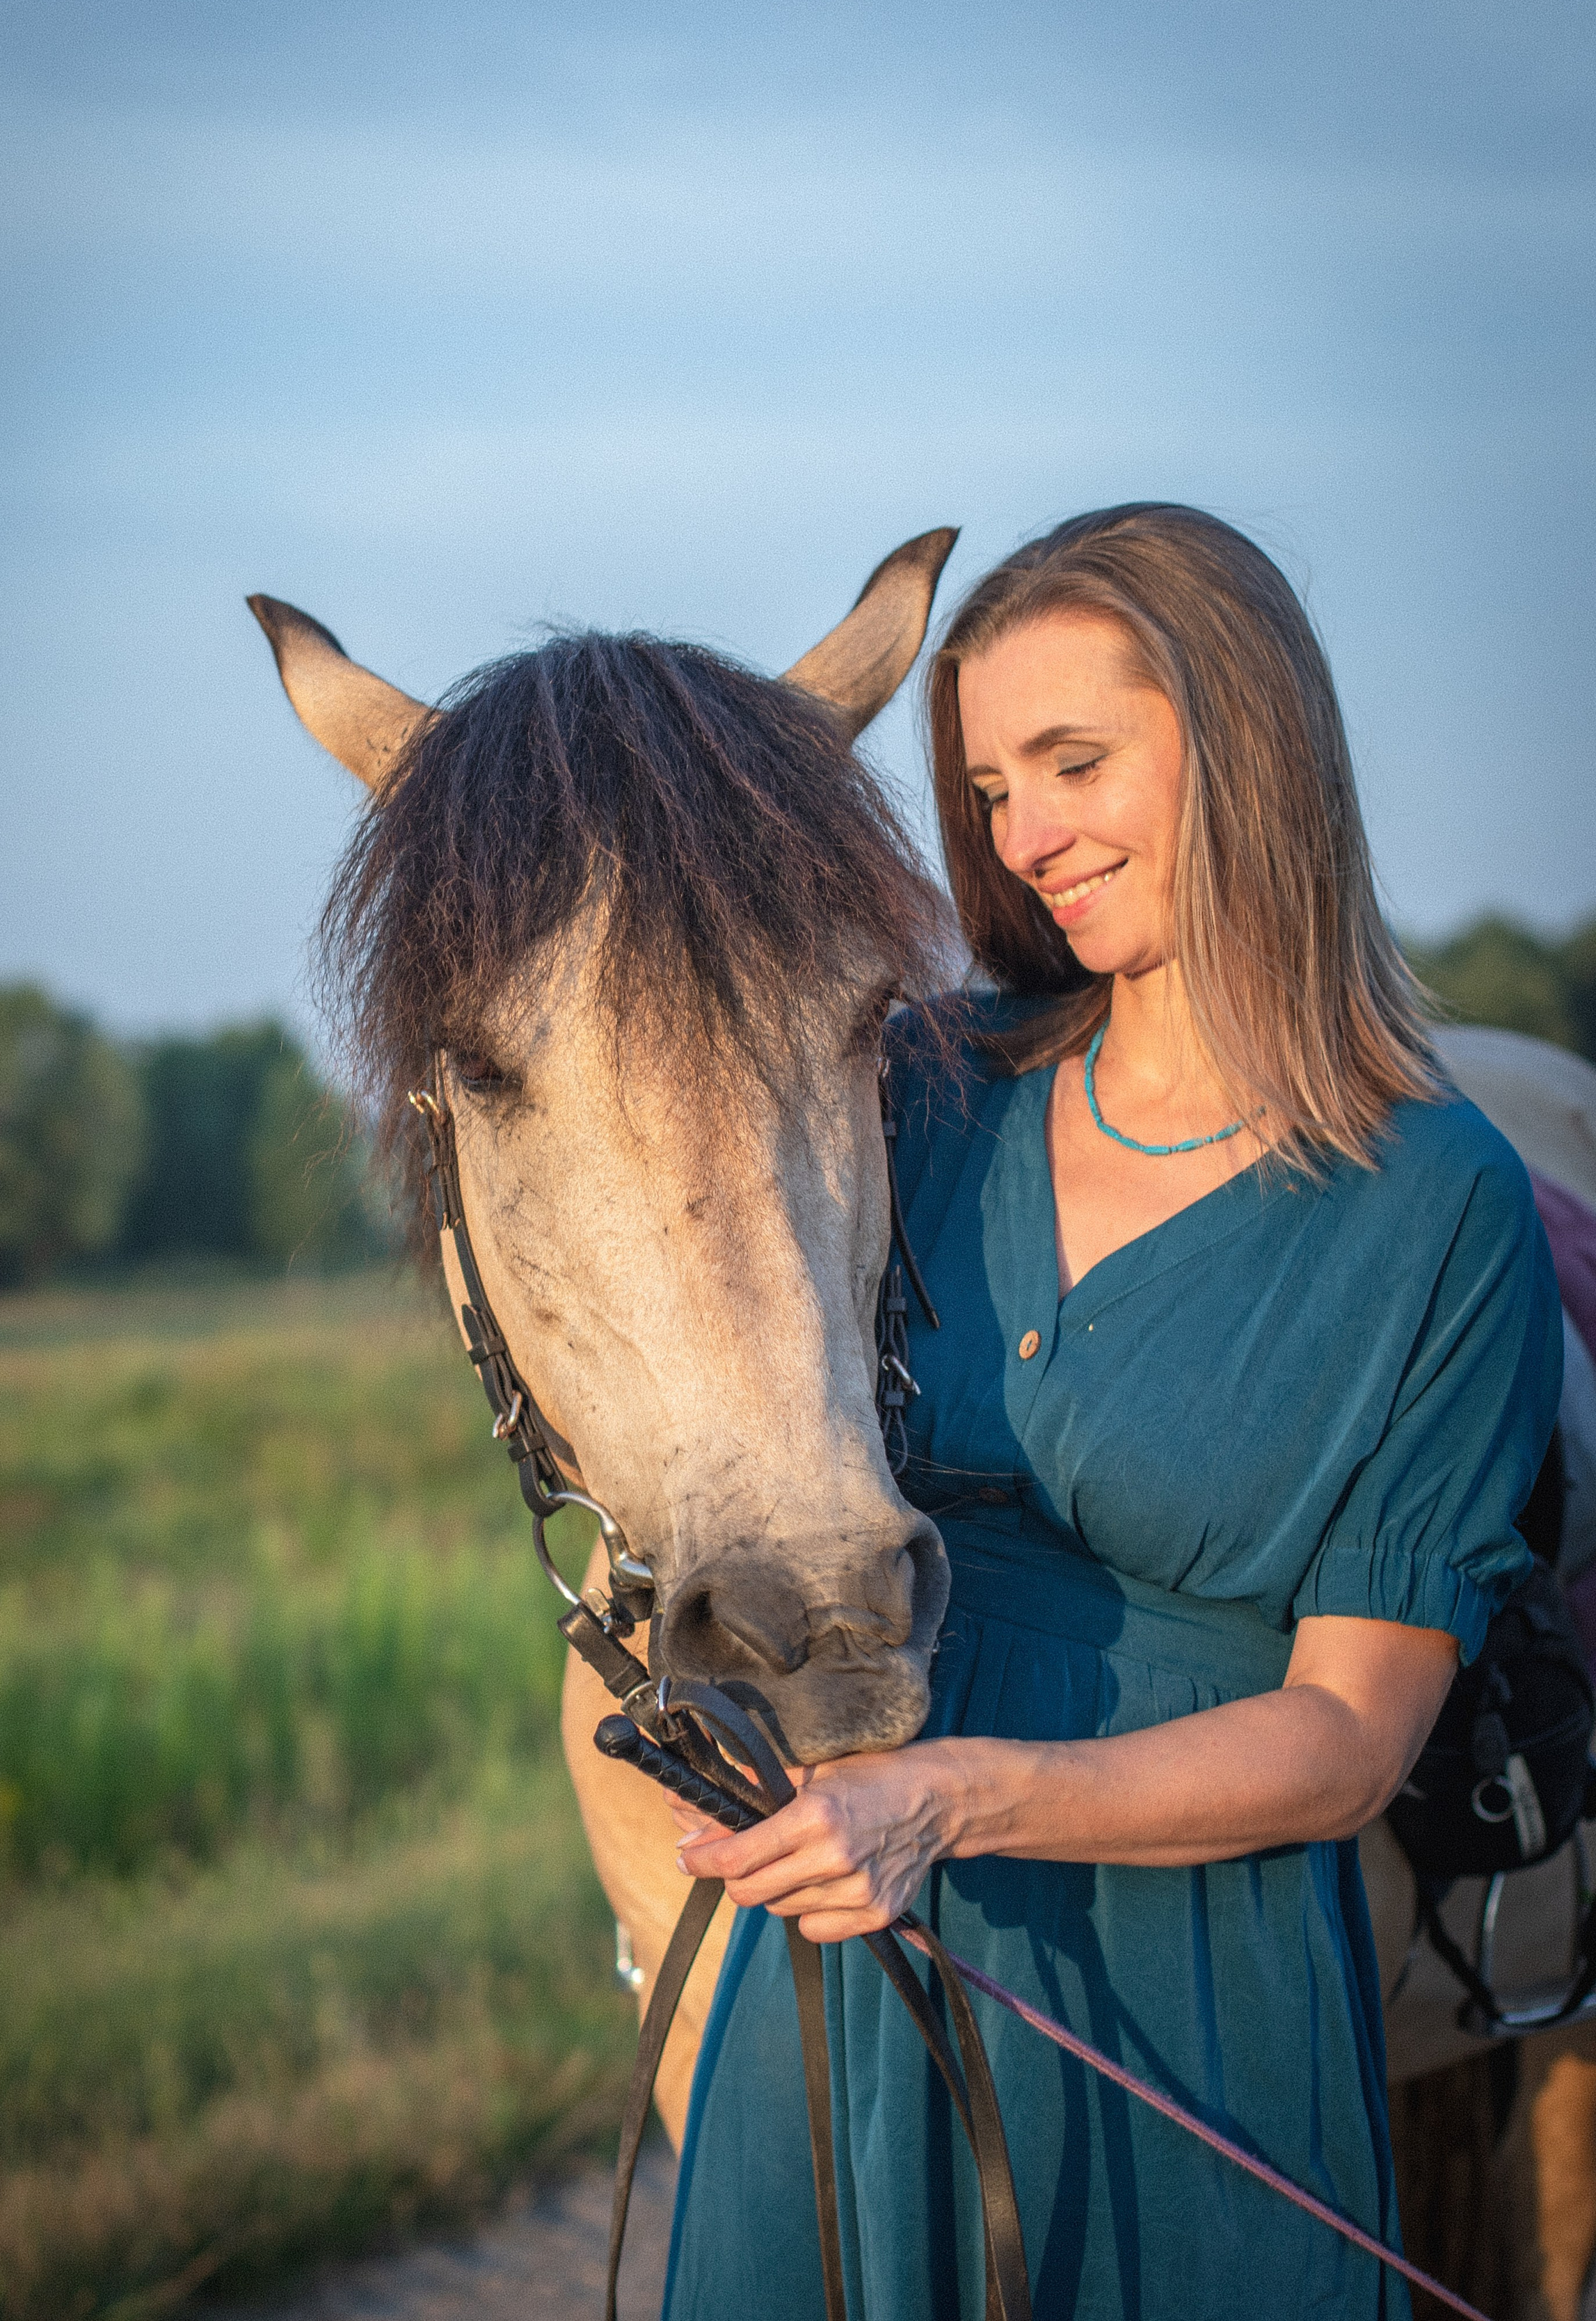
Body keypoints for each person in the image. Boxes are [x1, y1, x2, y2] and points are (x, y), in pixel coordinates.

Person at [657, 504, 1563, 2319]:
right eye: (990, 786)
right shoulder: (920, 1101)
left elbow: (1348, 1741)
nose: (1025, 836)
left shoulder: (1439, 1204)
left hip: (1192, 1984)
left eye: (1074, 763)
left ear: (1249, 744)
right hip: (842, 1962)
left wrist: (954, 1803)